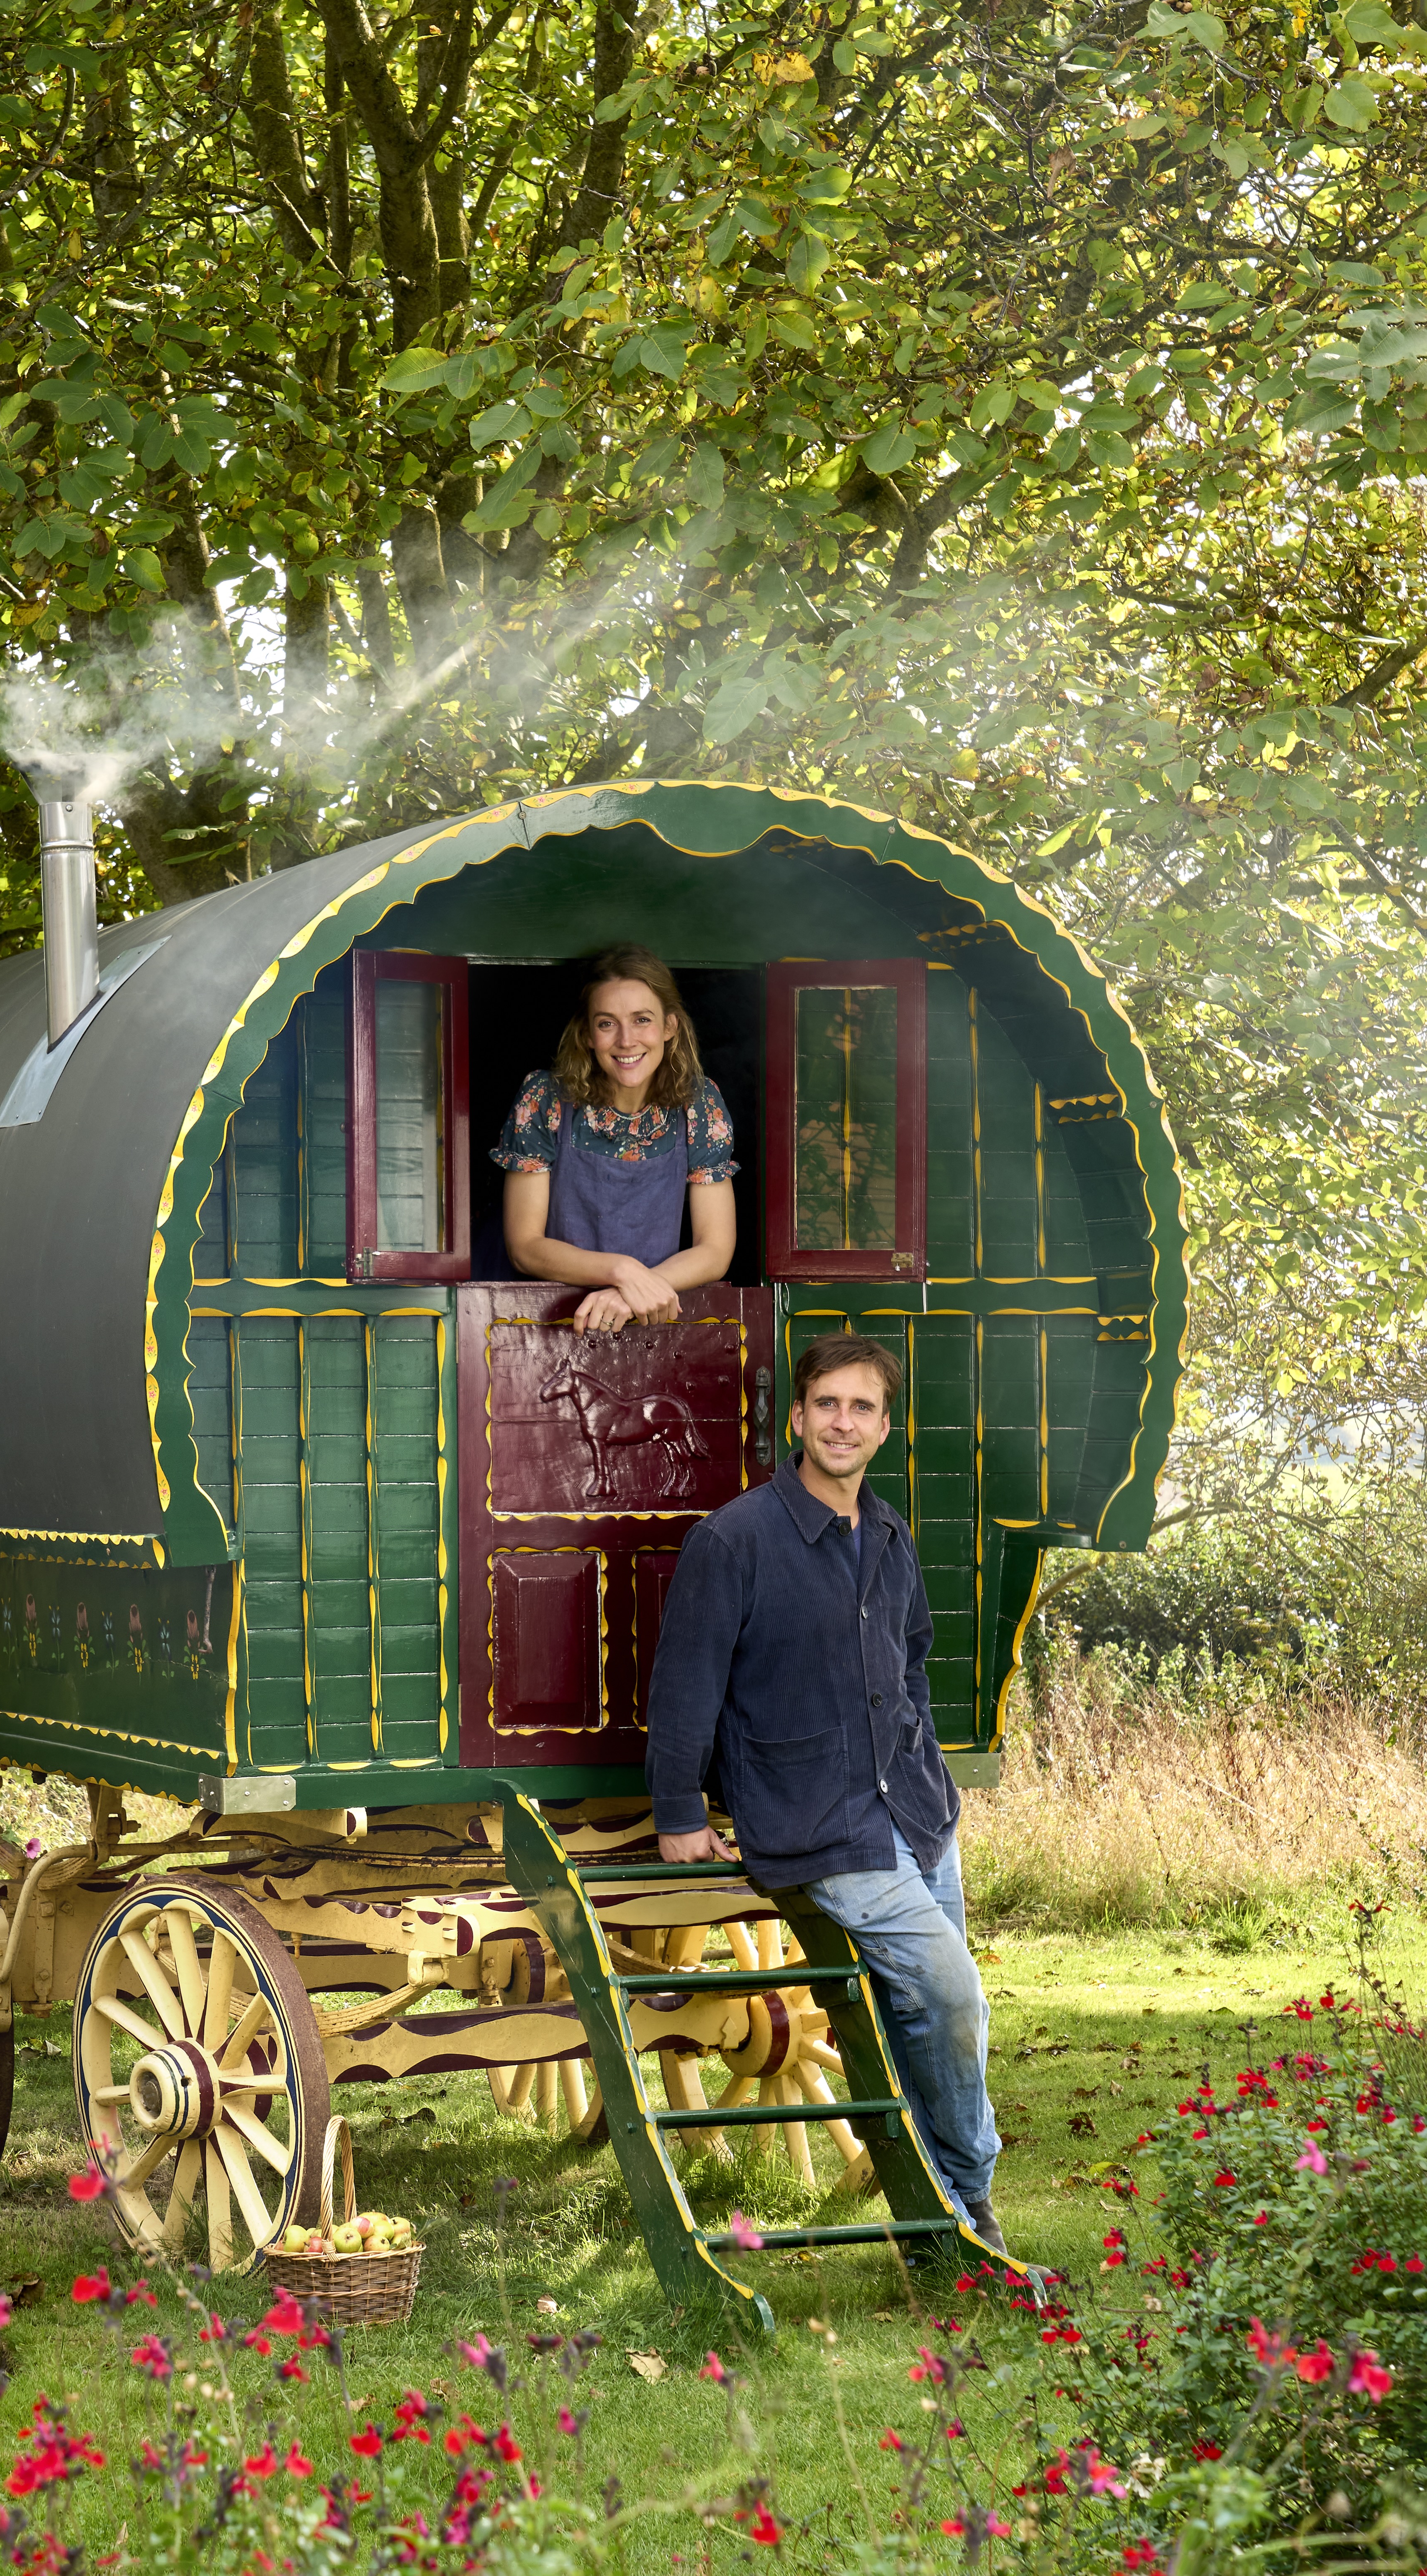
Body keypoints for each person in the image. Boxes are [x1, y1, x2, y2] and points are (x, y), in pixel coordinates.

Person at [642, 1333, 1006, 2252]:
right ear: (798, 1418)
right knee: (952, 1997)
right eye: (827, 1404)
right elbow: (685, 1685)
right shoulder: (733, 1540)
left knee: (924, 2017)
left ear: (884, 1428)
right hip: (816, 1820)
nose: (843, 1422)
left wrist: (923, 1760)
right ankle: (967, 2200)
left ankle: (942, 2225)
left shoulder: (887, 1534)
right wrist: (678, 1810)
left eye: (862, 1407)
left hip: (916, 1813)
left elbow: (911, 1663)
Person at [492, 944, 737, 1335]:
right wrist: (623, 1272)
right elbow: (525, 1247)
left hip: (659, 1322)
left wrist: (633, 1293)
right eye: (607, 1023)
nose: (626, 1040)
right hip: (552, 1322)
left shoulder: (700, 1103)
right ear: (588, 1035)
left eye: (642, 1020)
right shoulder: (545, 1099)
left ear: (670, 1027)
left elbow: (715, 1249)